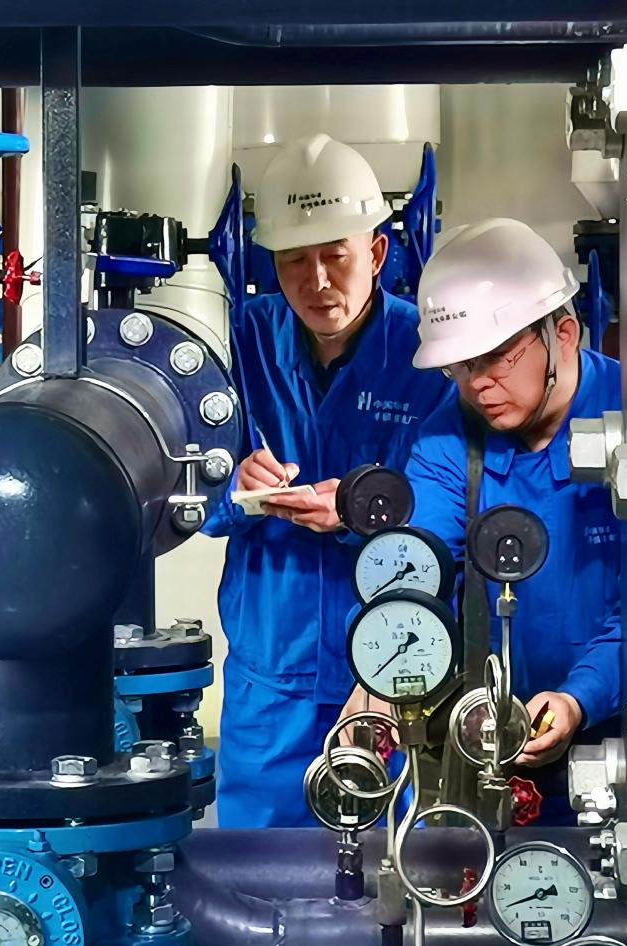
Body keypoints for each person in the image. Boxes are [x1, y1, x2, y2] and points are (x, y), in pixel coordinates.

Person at [202, 134, 454, 828]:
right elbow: (188, 496)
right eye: (294, 260)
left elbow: (451, 512)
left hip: (387, 667)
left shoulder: (428, 355)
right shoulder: (237, 343)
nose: (316, 281)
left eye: (335, 255)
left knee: (385, 867)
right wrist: (236, 490)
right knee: (253, 873)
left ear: (376, 251)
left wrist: (362, 512)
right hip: (269, 676)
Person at [339, 218, 623, 823]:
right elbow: (416, 563)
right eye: (460, 366)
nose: (478, 385)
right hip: (489, 737)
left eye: (495, 357)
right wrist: (383, 673)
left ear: (563, 333)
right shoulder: (448, 436)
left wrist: (580, 697)